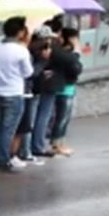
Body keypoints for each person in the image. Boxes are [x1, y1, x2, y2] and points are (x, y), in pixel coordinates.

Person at [0, 16, 33, 173]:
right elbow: (28, 72)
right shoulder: (21, 50)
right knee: (8, 129)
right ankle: (2, 160)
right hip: (14, 93)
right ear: (20, 32)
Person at [47, 27, 83, 157]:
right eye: (75, 39)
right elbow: (75, 67)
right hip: (62, 90)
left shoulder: (68, 53)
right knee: (61, 118)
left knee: (65, 118)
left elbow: (77, 68)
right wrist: (77, 52)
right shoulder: (61, 52)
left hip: (69, 88)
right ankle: (56, 145)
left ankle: (61, 143)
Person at [26, 27, 59, 159]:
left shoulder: (31, 49)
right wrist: (45, 60)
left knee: (37, 117)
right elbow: (33, 72)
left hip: (41, 87)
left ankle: (33, 146)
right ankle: (34, 147)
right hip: (39, 87)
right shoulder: (37, 52)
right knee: (39, 117)